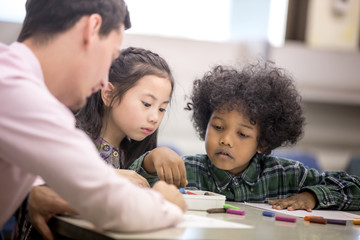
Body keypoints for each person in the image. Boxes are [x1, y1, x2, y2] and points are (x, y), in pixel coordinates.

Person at [0, 1, 186, 239]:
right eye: (110, 57)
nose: (102, 82)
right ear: (92, 29)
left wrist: (35, 189)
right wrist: (164, 201)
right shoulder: (20, 94)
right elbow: (110, 204)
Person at [133, 61, 360, 211]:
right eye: (218, 127)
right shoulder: (189, 169)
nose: (226, 140)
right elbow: (128, 186)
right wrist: (151, 161)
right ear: (205, 124)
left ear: (262, 142)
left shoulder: (286, 175)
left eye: (242, 133)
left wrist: (312, 196)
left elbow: (354, 187)